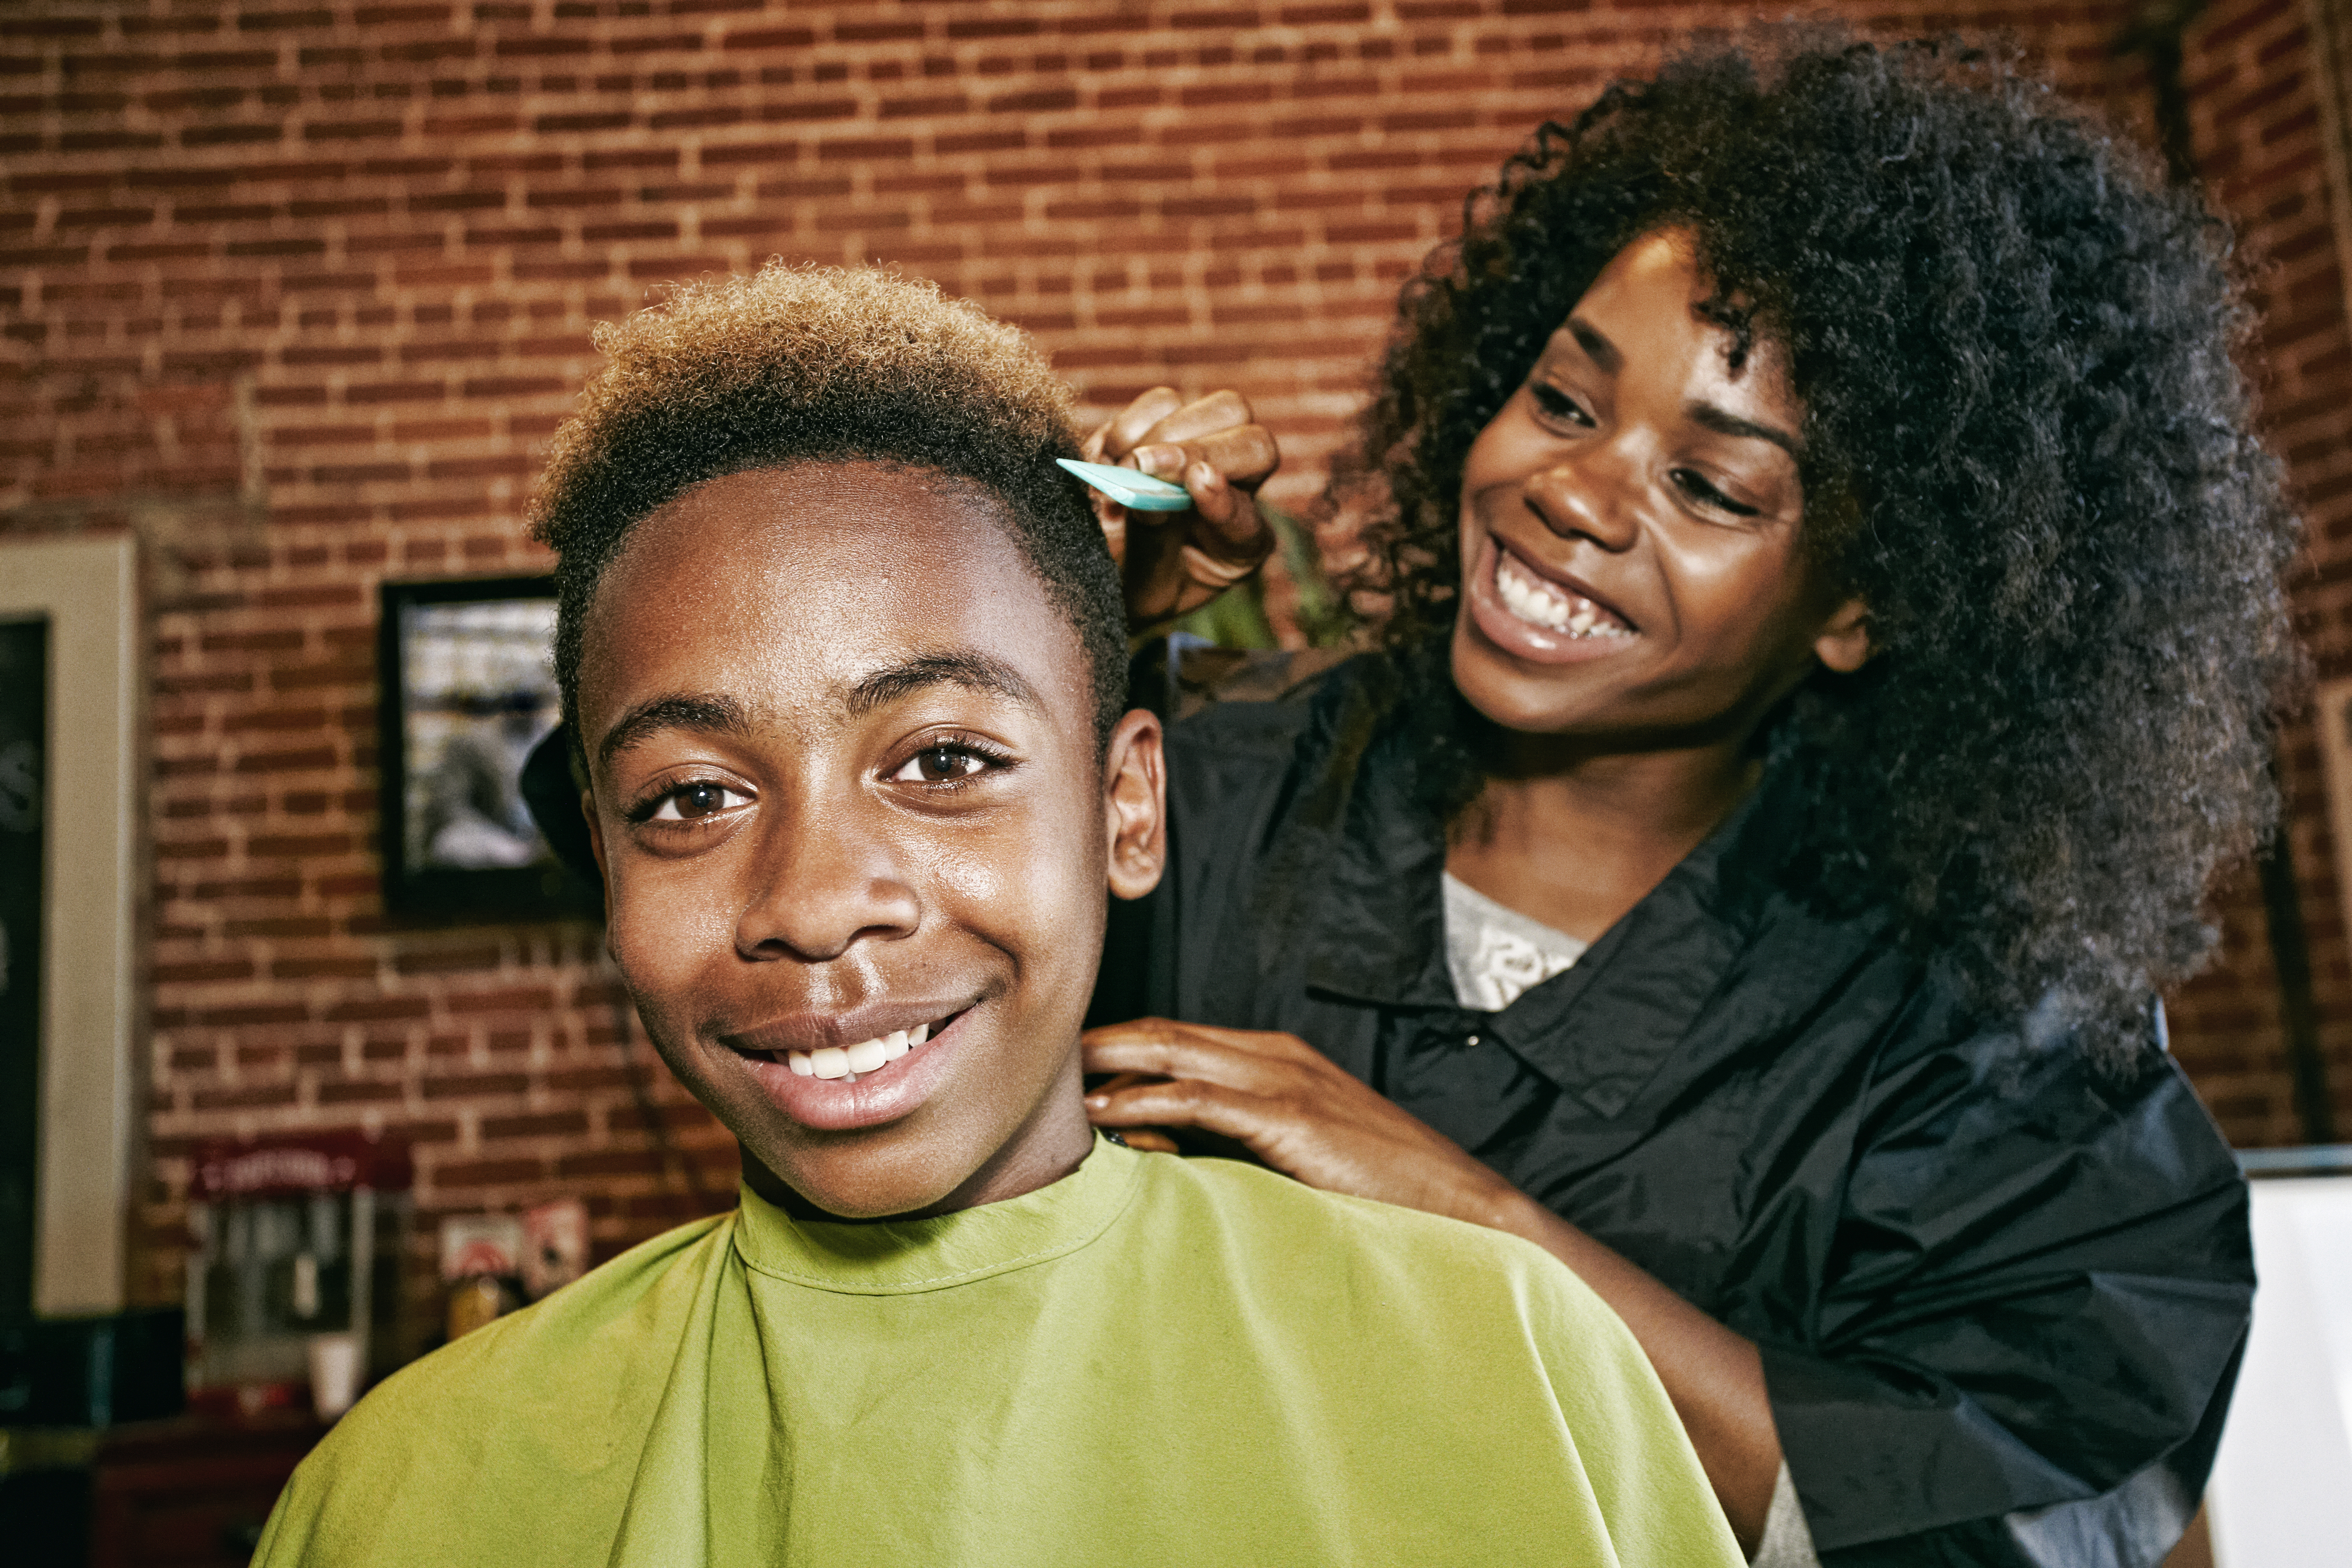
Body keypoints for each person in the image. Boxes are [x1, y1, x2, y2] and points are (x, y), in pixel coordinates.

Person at [255, 264, 1744, 1567]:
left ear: (1129, 810)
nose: (817, 904)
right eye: (692, 800)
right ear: (599, 850)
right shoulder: (398, 1500)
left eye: (946, 761)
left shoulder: (1518, 1376)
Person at [1076, 32, 2283, 1568]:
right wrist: (1082, 627)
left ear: (1867, 602)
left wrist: (1481, 1230)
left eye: (1712, 488)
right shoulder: (1202, 789)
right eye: (1567, 404)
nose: (1573, 495)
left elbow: (2014, 1512)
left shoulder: (1986, 1037)